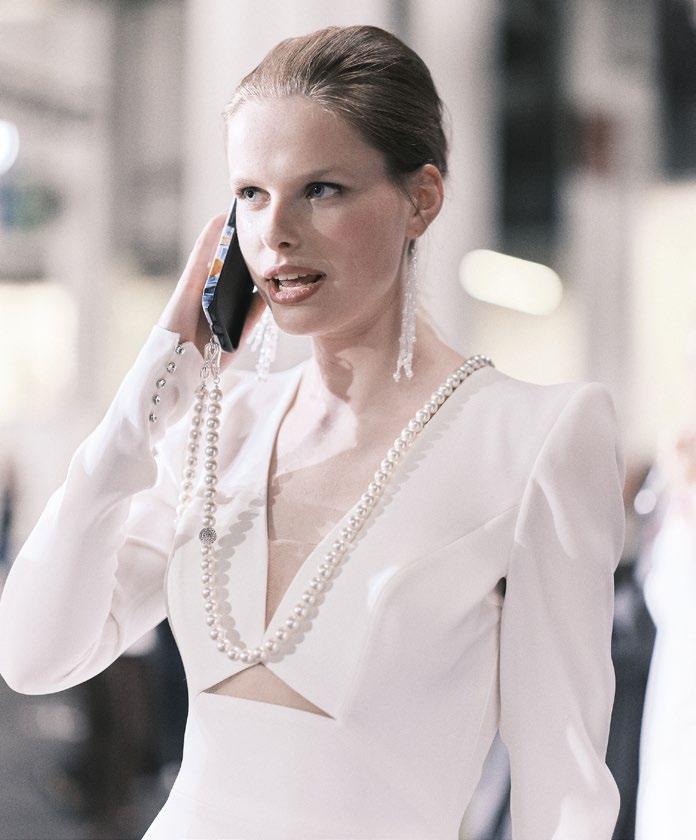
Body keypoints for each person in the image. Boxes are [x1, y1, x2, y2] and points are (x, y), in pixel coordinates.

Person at [0, 24, 626, 840]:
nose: (275, 233)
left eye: (321, 189)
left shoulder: (534, 438)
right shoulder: (217, 429)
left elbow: (565, 792)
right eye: (251, 194)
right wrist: (150, 392)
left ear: (422, 200)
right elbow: (34, 654)